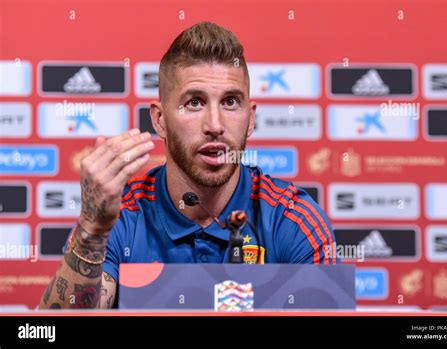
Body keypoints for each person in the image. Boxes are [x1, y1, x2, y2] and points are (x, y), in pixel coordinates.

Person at [39, 22, 338, 310]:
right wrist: (92, 227)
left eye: (231, 102)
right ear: (159, 120)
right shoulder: (122, 219)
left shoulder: (293, 221)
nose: (215, 125)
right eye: (194, 103)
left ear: (251, 118)